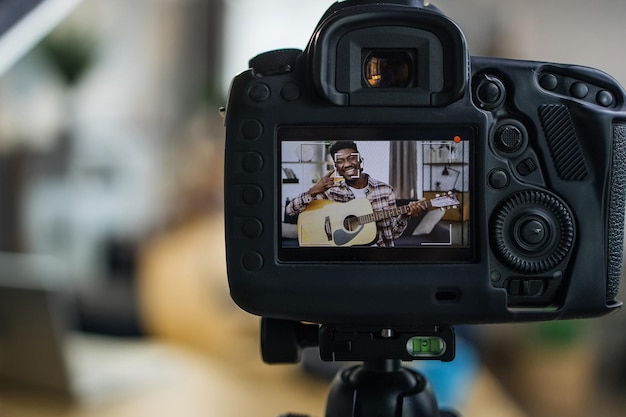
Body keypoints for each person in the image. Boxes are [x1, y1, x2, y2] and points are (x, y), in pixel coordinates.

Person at [286, 140, 426, 247]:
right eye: (340, 161)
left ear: (359, 160)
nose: (347, 164)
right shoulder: (331, 192)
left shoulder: (384, 190)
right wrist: (312, 191)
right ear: (337, 168)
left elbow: (391, 234)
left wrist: (405, 216)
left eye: (351, 158)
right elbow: (290, 210)